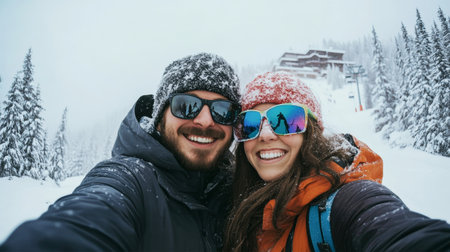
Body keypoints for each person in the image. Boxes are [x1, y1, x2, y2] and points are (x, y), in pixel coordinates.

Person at [0, 53, 241, 251]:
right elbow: (89, 219)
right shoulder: (130, 180)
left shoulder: (238, 191)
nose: (206, 120)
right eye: (186, 106)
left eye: (223, 110)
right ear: (159, 118)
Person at [223, 72, 450, 252]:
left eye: (286, 120)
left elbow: (397, 233)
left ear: (311, 133)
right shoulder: (238, 206)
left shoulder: (344, 202)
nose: (265, 135)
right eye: (250, 124)